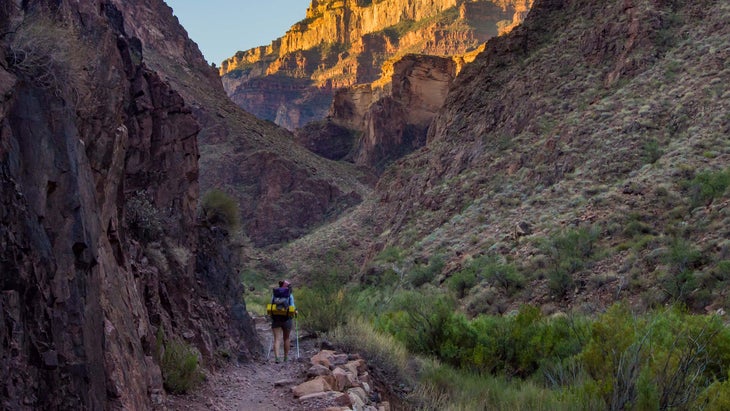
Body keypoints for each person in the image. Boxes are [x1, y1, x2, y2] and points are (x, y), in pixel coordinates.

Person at [271, 280, 296, 363]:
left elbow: (271, 305)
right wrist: (295, 311)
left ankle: (277, 358)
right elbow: (292, 306)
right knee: (286, 338)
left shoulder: (275, 294)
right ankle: (285, 357)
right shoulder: (290, 295)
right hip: (287, 319)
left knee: (277, 339)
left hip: (276, 318)